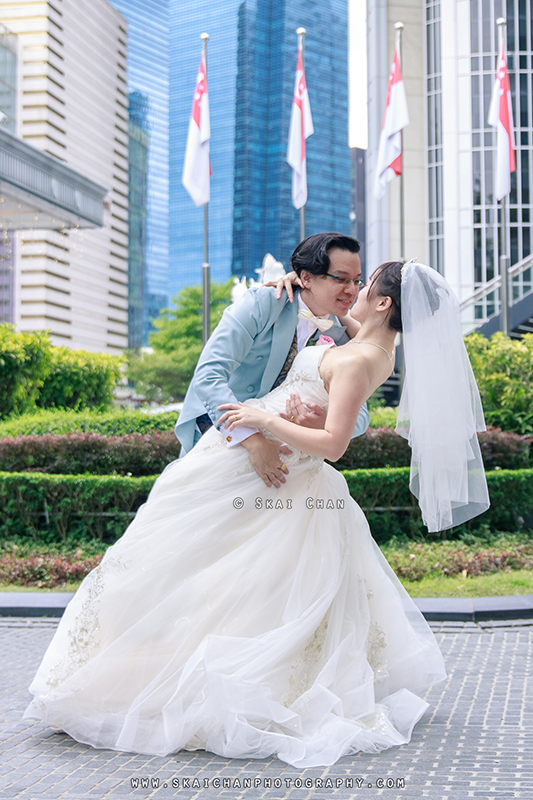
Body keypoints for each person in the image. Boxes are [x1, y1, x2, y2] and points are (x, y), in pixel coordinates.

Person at [23, 260, 489, 768]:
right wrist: (293, 288)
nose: (353, 289)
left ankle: (191, 681)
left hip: (279, 472)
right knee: (221, 574)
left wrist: (261, 419)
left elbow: (333, 444)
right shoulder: (374, 343)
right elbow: (336, 329)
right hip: (258, 466)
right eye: (347, 279)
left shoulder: (359, 359)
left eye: (365, 283)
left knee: (217, 574)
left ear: (383, 303)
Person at [175, 232, 370, 489]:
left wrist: (323, 422)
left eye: (357, 281)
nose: (352, 290)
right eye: (341, 279)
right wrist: (253, 441)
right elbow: (208, 375)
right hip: (222, 438)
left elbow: (362, 417)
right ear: (307, 278)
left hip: (285, 460)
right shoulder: (263, 302)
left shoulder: (341, 336)